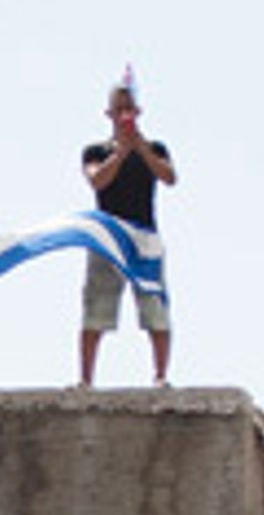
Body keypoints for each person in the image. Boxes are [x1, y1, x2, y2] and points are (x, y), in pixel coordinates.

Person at [77, 82, 174, 388]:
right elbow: (97, 180)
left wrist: (140, 146)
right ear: (109, 114)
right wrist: (120, 152)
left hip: (144, 236)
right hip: (108, 237)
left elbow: (169, 176)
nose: (124, 115)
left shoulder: (155, 149)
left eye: (129, 109)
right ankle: (86, 380)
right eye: (119, 110)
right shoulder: (96, 151)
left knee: (155, 307)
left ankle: (160, 375)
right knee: (96, 308)